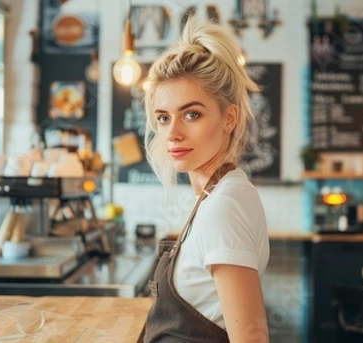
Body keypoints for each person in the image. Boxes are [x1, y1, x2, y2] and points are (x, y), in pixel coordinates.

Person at [142, 18, 270, 342]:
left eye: (192, 114)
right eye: (163, 118)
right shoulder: (220, 193)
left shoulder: (223, 206)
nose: (172, 133)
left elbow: (251, 338)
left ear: (229, 117)